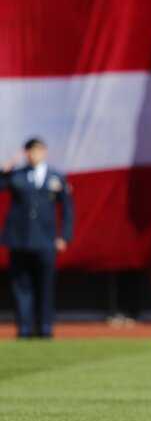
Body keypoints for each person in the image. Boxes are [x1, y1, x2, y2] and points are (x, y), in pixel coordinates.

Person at [1, 139, 73, 339]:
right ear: (26, 153)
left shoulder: (56, 177)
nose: (34, 155)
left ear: (44, 152)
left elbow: (67, 209)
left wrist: (64, 236)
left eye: (38, 150)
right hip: (19, 240)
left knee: (45, 285)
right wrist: (3, 171)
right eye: (31, 151)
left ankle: (45, 327)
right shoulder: (16, 175)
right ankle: (24, 329)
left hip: (46, 240)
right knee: (21, 286)